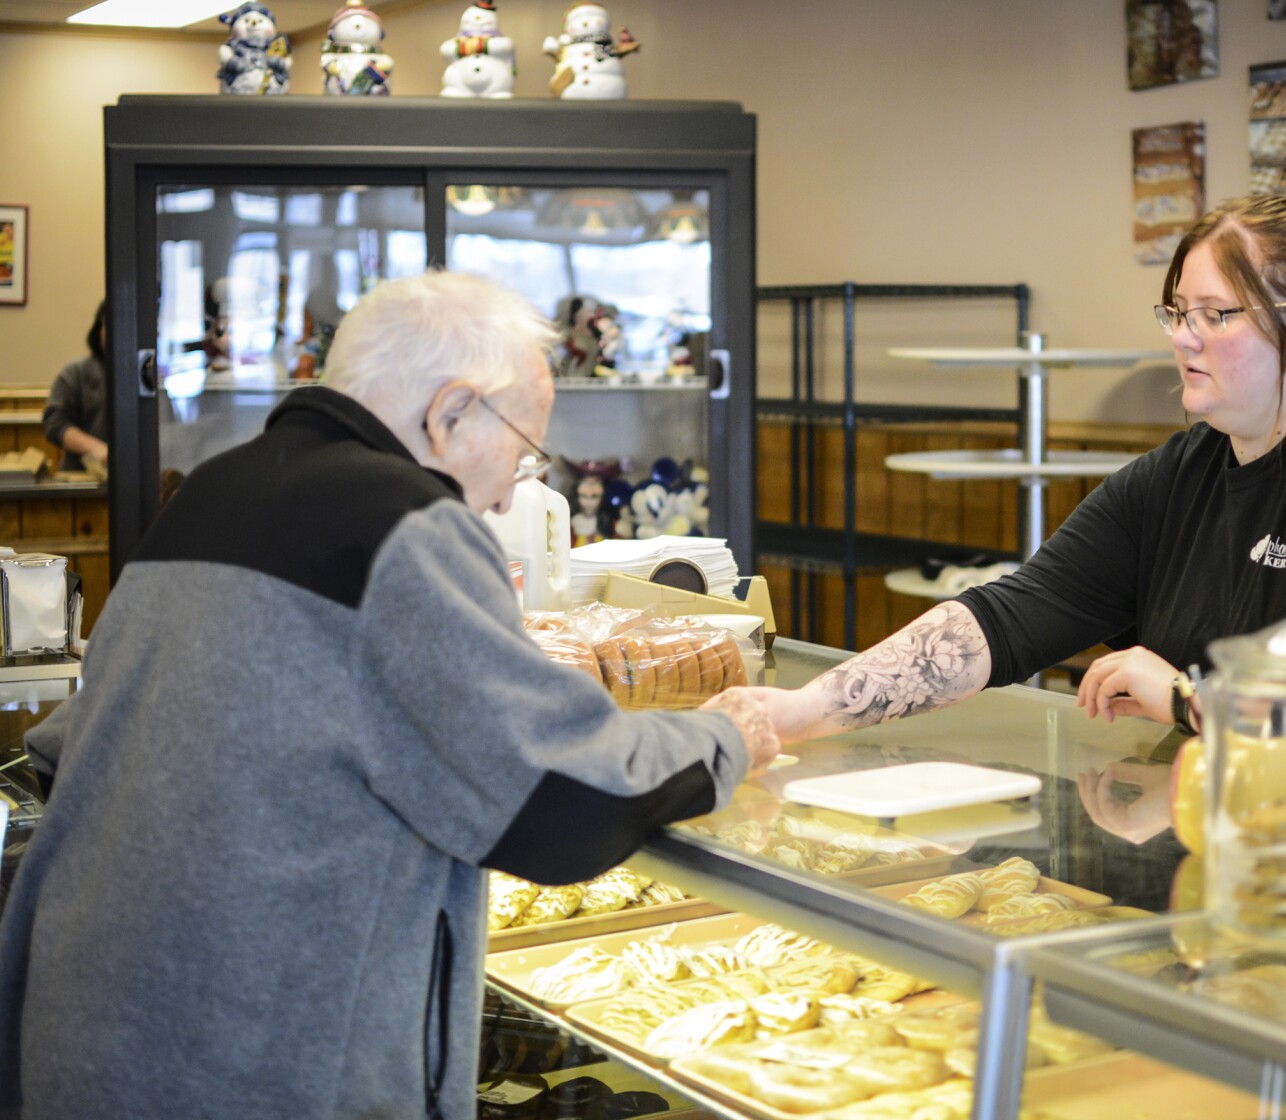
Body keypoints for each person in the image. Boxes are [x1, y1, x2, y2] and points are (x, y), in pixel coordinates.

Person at [0, 270, 778, 1120]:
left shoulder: (213, 493)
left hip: (88, 1043)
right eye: (521, 452)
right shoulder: (402, 524)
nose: (510, 493)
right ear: (449, 414)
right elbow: (560, 799)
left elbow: (68, 745)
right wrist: (722, 737)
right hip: (250, 1073)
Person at [742, 194, 1286, 756]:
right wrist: (794, 714)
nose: (1183, 339)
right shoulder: (1183, 471)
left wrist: (1186, 700)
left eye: (1216, 315)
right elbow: (1005, 618)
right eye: (1177, 313)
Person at [41, 300, 110, 472]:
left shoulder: (144, 375)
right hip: (83, 479)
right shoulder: (75, 372)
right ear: (99, 328)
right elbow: (54, 423)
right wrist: (95, 448)